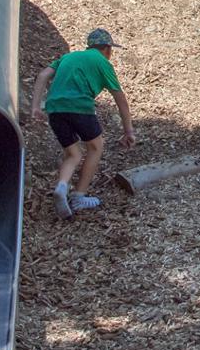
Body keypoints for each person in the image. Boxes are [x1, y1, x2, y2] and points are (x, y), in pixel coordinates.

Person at [30, 28, 136, 218]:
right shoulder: (102, 63)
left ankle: (62, 187)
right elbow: (121, 100)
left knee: (73, 153)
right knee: (95, 147)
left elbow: (43, 76)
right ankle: (79, 196)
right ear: (107, 49)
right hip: (80, 107)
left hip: (55, 109)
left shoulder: (68, 57)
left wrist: (36, 106)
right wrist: (128, 131)